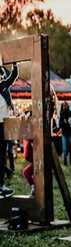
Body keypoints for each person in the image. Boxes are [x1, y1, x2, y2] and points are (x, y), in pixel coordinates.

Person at [0, 62, 18, 199]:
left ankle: (1, 186)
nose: (1, 77)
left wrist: (15, 66)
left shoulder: (3, 86)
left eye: (1, 76)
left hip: (4, 125)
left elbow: (12, 77)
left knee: (2, 156)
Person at [59, 102, 71, 166]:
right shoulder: (61, 113)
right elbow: (60, 124)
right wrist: (64, 122)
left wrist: (67, 122)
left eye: (66, 105)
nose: (65, 107)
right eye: (64, 106)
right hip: (64, 133)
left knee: (70, 148)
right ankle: (65, 162)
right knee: (65, 149)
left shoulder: (70, 112)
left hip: (69, 133)